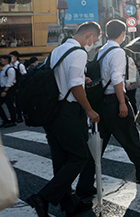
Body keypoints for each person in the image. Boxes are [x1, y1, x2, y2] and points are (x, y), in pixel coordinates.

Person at [77, 20, 140, 198]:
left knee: (98, 145)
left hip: (101, 103)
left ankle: (84, 184)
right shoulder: (117, 52)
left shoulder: (101, 51)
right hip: (114, 101)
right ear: (123, 33)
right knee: (131, 137)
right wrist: (122, 103)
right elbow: (116, 78)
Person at [26, 22, 101, 217]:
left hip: (51, 112)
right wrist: (90, 110)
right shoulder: (79, 52)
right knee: (79, 156)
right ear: (89, 36)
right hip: (68, 112)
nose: (92, 43)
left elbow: (59, 78)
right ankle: (42, 197)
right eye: (94, 39)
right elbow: (75, 88)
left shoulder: (57, 50)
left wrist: (81, 80)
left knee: (61, 160)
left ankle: (69, 204)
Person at [0, 55, 17, 127]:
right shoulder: (2, 69)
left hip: (8, 89)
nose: (1, 61)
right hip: (2, 88)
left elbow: (10, 81)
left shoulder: (10, 69)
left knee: (10, 105)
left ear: (7, 60)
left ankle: (13, 121)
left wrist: (5, 91)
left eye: (2, 59)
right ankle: (5, 120)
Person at [9, 51, 25, 123]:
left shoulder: (20, 66)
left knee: (18, 102)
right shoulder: (9, 65)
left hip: (18, 86)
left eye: (11, 56)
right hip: (11, 86)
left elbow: (24, 76)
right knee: (11, 102)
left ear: (16, 57)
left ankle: (19, 117)